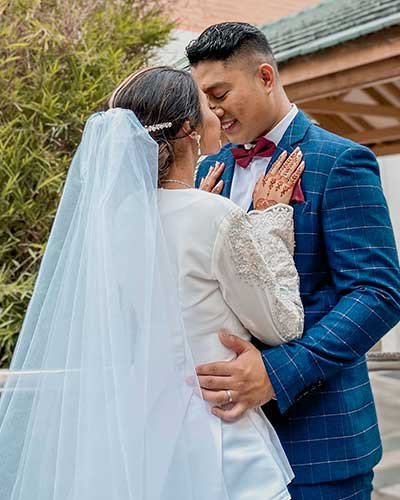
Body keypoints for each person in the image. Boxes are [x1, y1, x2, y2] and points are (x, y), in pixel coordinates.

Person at [0, 66, 305, 499]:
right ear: (188, 129)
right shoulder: (215, 216)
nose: (215, 112)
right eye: (205, 105)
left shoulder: (115, 220)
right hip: (220, 434)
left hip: (145, 434)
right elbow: (283, 325)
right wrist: (269, 222)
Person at [186, 22, 400, 500]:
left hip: (318, 443)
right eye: (205, 99)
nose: (211, 110)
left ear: (265, 77)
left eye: (220, 93)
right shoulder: (207, 171)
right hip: (223, 443)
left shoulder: (340, 161)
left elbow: (377, 294)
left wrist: (276, 373)